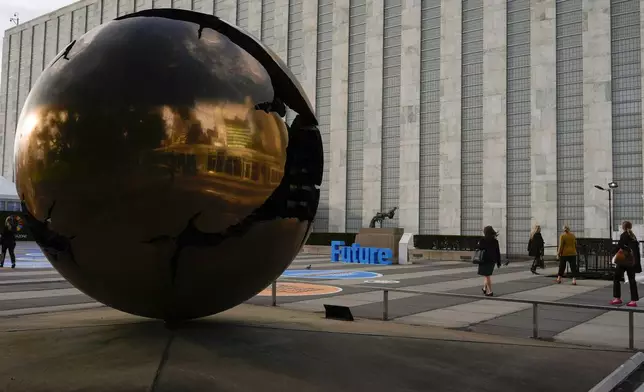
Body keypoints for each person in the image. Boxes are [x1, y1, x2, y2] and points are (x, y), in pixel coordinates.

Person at [611, 221, 641, 307]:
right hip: (632, 261)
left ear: (623, 227)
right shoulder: (633, 236)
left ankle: (617, 298)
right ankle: (633, 300)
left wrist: (612, 252)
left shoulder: (624, 235)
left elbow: (619, 246)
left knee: (616, 278)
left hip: (623, 261)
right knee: (632, 280)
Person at [478, 226, 501, 297]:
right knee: (487, 275)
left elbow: (478, 248)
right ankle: (484, 288)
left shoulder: (482, 240)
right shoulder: (495, 241)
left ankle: (490, 291)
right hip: (492, 261)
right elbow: (497, 252)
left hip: (484, 260)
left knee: (487, 276)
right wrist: (498, 262)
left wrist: (478, 244)